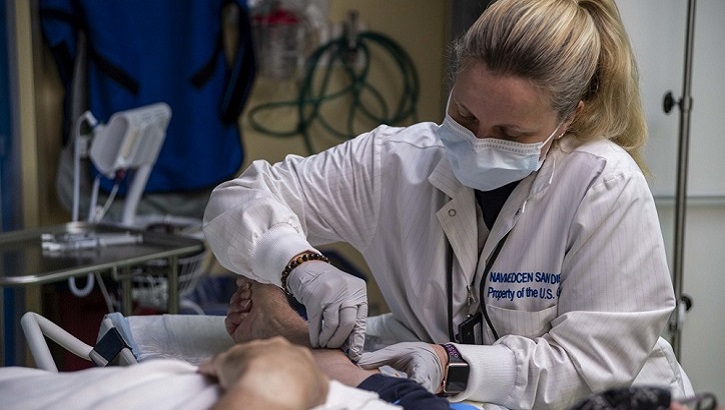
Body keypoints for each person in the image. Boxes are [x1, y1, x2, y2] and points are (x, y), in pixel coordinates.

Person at [203, 0, 693, 408]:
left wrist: (451, 365)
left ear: (570, 117)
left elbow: (591, 369)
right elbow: (241, 198)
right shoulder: (394, 161)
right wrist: (299, 265)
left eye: (510, 134)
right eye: (465, 114)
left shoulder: (603, 185)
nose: (479, 141)